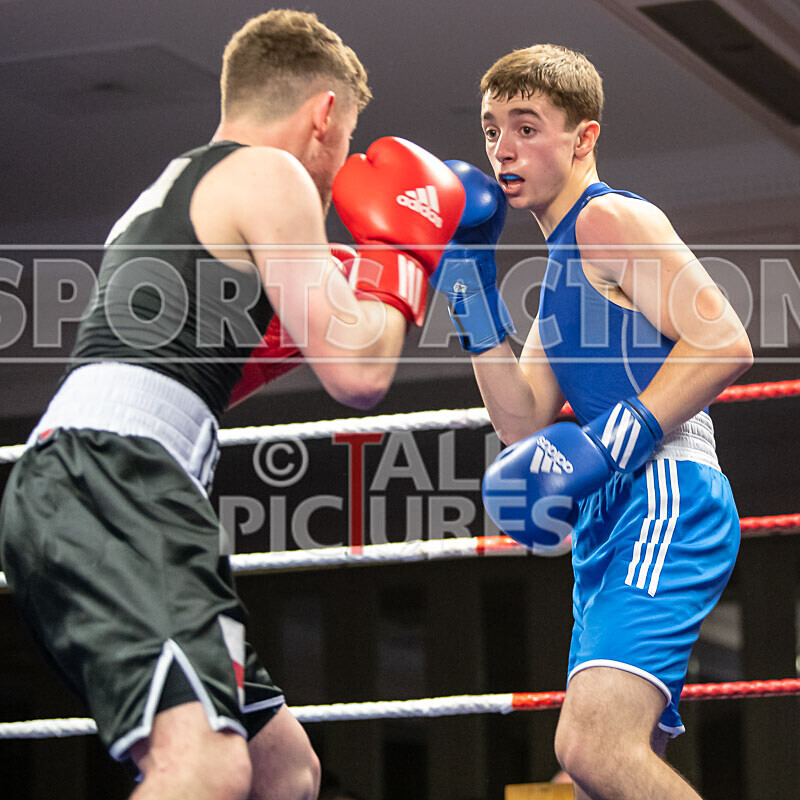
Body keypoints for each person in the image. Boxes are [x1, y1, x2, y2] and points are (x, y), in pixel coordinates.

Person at [0, 10, 464, 800]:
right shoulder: (270, 174)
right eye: (347, 140)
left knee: (285, 772)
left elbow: (180, 373)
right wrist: (405, 251)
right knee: (203, 766)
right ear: (323, 115)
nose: (337, 172)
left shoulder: (171, 191)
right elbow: (359, 375)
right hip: (117, 484)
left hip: (95, 482)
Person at [433, 44, 752, 799]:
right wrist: (470, 300)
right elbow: (523, 421)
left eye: (526, 126)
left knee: (592, 746)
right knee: (596, 775)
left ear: (583, 138)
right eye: (489, 131)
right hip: (614, 510)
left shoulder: (609, 219)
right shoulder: (558, 276)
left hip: (664, 491)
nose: (502, 149)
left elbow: (726, 341)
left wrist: (621, 433)